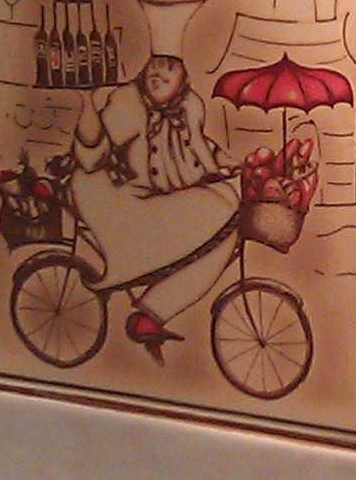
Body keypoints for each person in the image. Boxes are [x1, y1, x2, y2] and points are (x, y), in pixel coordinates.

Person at [66, 46, 237, 360]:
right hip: (116, 199)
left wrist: (223, 160)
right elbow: (91, 157)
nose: (157, 75)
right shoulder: (127, 103)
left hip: (154, 200)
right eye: (153, 68)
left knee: (228, 222)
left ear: (182, 79)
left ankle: (151, 314)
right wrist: (88, 104)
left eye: (168, 70)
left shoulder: (187, 106)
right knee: (218, 211)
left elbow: (195, 144)